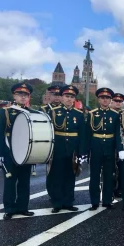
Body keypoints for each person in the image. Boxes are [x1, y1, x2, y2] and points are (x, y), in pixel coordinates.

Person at [0, 83, 37, 220]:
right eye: (20, 94)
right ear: (14, 95)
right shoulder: (5, 112)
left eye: (26, 95)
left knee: (25, 182)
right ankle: (9, 208)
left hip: (26, 152)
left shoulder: (32, 113)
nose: (23, 97)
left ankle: (23, 207)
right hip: (10, 152)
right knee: (10, 182)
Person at [48, 85, 86, 213]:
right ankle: (57, 203)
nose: (69, 99)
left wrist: (81, 152)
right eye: (67, 96)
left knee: (70, 176)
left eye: (72, 97)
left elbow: (82, 135)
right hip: (58, 148)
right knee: (57, 175)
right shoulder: (53, 112)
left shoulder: (79, 114)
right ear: (62, 97)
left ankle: (68, 202)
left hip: (72, 149)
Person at [87, 88, 122, 210]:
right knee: (95, 176)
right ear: (98, 99)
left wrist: (120, 149)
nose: (105, 100)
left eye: (107, 98)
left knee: (109, 176)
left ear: (110, 100)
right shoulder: (92, 114)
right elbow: (88, 134)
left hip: (110, 147)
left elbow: (117, 134)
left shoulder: (115, 114)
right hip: (96, 147)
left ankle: (107, 200)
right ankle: (94, 201)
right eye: (102, 98)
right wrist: (85, 152)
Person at [111, 93, 124, 198]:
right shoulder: (108, 113)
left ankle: (120, 189)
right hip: (109, 145)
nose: (118, 103)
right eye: (116, 101)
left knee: (122, 169)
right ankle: (109, 189)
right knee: (109, 169)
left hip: (123, 145)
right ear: (112, 102)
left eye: (120, 101)